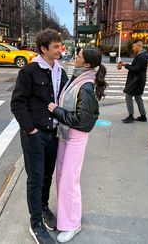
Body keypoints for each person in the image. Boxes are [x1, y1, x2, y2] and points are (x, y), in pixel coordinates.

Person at [11, 28, 68, 244]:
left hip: (53, 134)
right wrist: (31, 130)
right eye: (55, 46)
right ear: (44, 49)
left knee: (46, 176)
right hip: (35, 134)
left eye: (59, 45)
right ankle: (35, 224)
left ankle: (43, 207)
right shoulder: (29, 71)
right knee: (35, 179)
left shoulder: (59, 71)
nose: (59, 49)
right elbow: (17, 103)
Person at [48, 48, 107, 243]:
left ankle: (73, 224)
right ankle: (66, 219)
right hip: (66, 135)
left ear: (87, 64)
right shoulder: (79, 78)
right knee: (62, 177)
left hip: (75, 136)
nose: (75, 58)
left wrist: (56, 110)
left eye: (79, 56)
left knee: (69, 181)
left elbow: (83, 121)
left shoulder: (86, 85)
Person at [117, 39, 148, 123]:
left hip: (136, 81)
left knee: (128, 97)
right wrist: (126, 64)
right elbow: (137, 67)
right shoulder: (142, 55)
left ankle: (131, 116)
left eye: (134, 46)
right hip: (138, 80)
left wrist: (126, 65)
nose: (133, 48)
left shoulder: (142, 56)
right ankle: (143, 116)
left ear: (138, 46)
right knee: (138, 98)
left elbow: (136, 69)